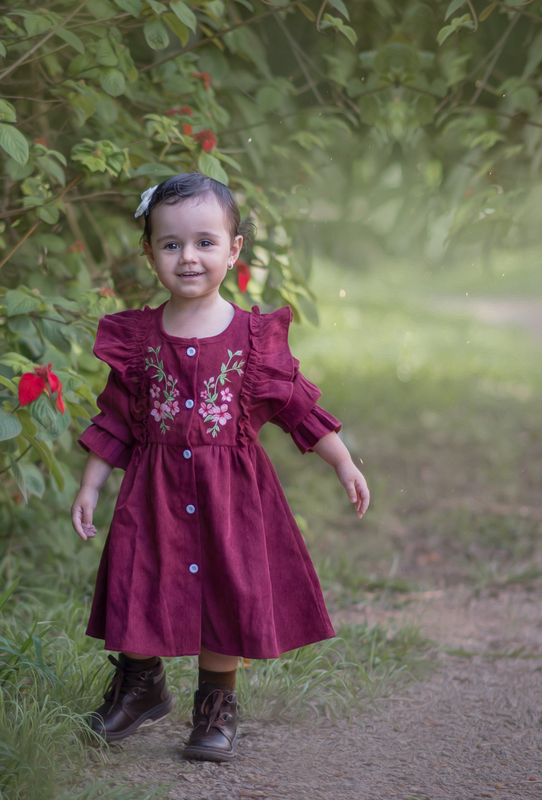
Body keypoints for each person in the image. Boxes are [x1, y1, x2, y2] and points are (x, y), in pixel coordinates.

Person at [71, 172, 370, 761]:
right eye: (171, 243)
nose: (189, 257)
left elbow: (297, 406)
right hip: (152, 493)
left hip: (231, 496)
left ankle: (215, 703)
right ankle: (139, 684)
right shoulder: (137, 340)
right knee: (139, 579)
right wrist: (90, 486)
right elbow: (115, 421)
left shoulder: (253, 339)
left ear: (234, 251)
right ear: (150, 252)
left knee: (225, 591)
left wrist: (343, 462)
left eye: (206, 242)